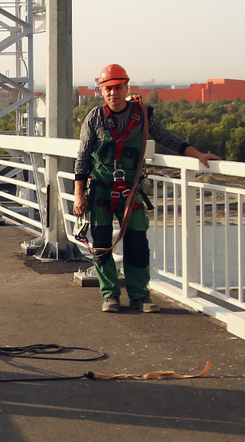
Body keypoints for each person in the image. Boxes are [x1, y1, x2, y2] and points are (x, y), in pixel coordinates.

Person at [73, 64, 221, 313]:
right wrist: (79, 194)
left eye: (118, 87)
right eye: (108, 88)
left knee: (137, 244)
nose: (113, 93)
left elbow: (168, 138)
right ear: (101, 91)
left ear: (127, 87)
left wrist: (198, 155)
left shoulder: (143, 115)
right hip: (99, 189)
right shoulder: (95, 118)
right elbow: (83, 158)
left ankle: (140, 296)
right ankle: (110, 295)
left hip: (131, 191)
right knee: (100, 245)